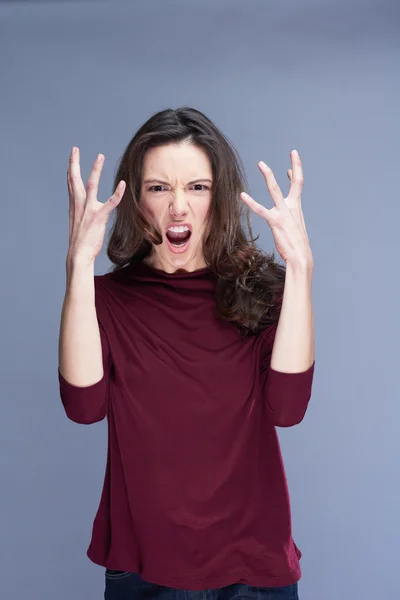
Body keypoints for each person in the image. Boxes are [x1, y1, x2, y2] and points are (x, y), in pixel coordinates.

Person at [58, 107, 315, 600]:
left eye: (197, 187)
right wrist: (77, 267)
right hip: (144, 570)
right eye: (159, 188)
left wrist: (301, 269)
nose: (179, 207)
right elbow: (84, 408)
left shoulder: (267, 293)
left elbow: (288, 409)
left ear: (219, 197)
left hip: (254, 570)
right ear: (134, 199)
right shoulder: (106, 299)